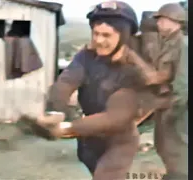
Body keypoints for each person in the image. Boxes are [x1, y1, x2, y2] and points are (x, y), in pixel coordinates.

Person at [30, 1, 169, 179]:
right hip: (88, 140)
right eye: (95, 33)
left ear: (124, 36)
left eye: (106, 35)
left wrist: (69, 127)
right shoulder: (86, 57)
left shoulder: (136, 68)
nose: (99, 40)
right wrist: (55, 110)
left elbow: (115, 117)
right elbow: (65, 82)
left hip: (119, 140)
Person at [136, 3, 187, 180]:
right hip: (166, 106)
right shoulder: (167, 44)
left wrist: (173, 112)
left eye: (163, 20)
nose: (159, 25)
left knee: (178, 149)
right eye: (159, 21)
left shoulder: (183, 45)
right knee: (163, 146)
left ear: (176, 22)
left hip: (179, 109)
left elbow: (183, 84)